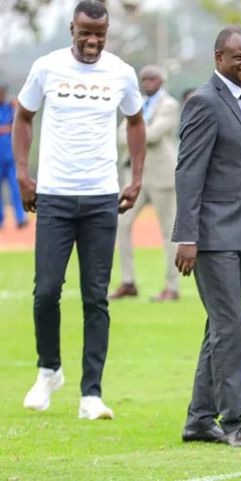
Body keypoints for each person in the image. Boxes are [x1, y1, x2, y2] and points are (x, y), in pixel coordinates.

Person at [13, 0, 145, 419]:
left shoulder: (121, 72)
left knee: (95, 297)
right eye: (85, 32)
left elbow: (136, 121)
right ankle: (49, 370)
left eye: (99, 35)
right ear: (72, 28)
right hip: (54, 195)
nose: (92, 41)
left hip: (101, 198)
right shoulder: (47, 67)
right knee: (46, 291)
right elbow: (23, 117)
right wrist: (23, 175)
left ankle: (91, 395)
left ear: (107, 34)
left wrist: (136, 177)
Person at [173, 26, 241, 447]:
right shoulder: (203, 102)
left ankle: (200, 420)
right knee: (228, 328)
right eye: (239, 57)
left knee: (222, 327)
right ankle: (235, 423)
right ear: (219, 58)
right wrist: (186, 236)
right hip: (212, 236)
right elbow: (188, 172)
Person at [110, 65, 180, 302]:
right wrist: (137, 133)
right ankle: (128, 281)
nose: (147, 82)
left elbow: (153, 134)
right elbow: (120, 136)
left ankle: (172, 286)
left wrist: (135, 133)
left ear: (162, 80)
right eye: (144, 79)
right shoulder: (136, 104)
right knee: (121, 224)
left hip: (162, 177)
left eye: (152, 78)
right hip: (135, 178)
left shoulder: (169, 105)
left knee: (169, 231)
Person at [0, 83, 27, 229]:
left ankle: (20, 217)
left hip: (10, 157)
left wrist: (16, 105)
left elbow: (21, 120)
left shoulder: (10, 107)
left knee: (16, 188)